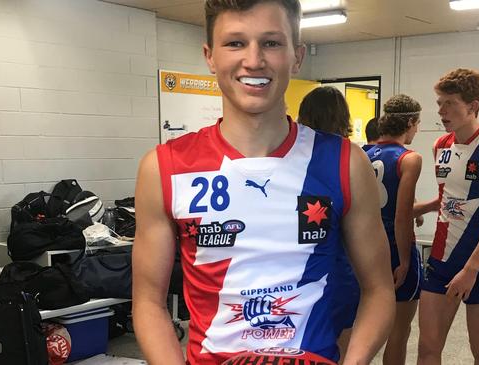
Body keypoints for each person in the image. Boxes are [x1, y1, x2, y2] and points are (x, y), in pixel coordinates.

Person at [131, 1, 395, 364]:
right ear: (210, 56)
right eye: (235, 43)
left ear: (297, 56)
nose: (254, 60)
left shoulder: (345, 163)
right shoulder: (164, 167)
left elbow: (379, 290)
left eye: (271, 43)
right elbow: (147, 301)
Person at [417, 68, 479, 365]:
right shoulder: (440, 145)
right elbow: (448, 197)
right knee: (427, 348)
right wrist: (417, 210)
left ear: (472, 106)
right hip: (440, 261)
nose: (442, 110)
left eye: (450, 103)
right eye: (439, 103)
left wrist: (471, 269)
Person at [297, 85, 359, 364]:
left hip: (300, 274)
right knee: (341, 353)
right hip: (341, 271)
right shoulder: (349, 157)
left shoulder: (289, 159)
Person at [367, 94, 424, 365]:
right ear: (410, 122)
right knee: (399, 332)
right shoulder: (409, 159)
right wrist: (404, 260)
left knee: (360, 329)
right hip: (393, 245)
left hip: (363, 248)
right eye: (418, 123)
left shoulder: (361, 153)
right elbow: (402, 217)